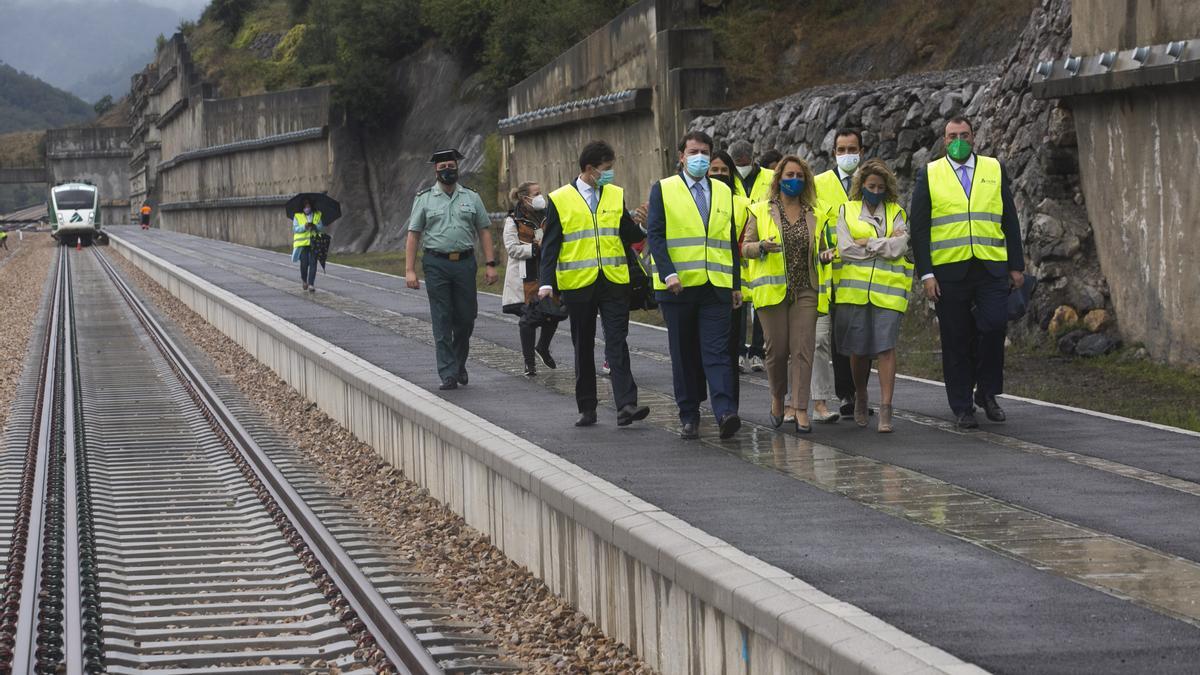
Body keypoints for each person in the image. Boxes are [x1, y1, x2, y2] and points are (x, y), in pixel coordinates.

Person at [910, 117, 1026, 429]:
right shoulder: (930, 174)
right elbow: (919, 229)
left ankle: (986, 393)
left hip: (990, 267)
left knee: (994, 327)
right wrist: (927, 275)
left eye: (964, 135)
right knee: (956, 338)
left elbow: (1009, 219)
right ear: (943, 141)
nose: (958, 140)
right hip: (949, 271)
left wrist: (1016, 265)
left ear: (974, 138)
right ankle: (962, 405)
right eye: (952, 136)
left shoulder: (992, 168)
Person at [538, 140, 650, 427]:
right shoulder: (560, 199)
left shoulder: (614, 194)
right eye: (606, 169)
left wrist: (642, 225)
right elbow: (551, 246)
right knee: (583, 345)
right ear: (589, 169)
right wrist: (546, 283)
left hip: (613, 280)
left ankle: (626, 404)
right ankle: (587, 406)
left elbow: (627, 233)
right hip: (578, 283)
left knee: (616, 341)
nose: (610, 174)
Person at [647, 131, 742, 440]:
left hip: (716, 286)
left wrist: (736, 283)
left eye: (704, 152)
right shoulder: (663, 189)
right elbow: (656, 236)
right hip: (678, 287)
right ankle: (689, 415)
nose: (699, 157)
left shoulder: (724, 191)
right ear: (681, 156)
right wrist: (668, 273)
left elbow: (728, 240)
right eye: (693, 152)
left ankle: (725, 411)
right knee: (685, 353)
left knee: (717, 353)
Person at [405, 148, 499, 390]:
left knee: (466, 318)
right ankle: (448, 372)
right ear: (435, 171)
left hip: (465, 264)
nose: (448, 171)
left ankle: (459, 363)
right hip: (436, 264)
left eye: (451, 166)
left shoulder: (471, 197)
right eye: (442, 167)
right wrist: (410, 270)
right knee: (442, 317)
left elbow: (484, 230)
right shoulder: (424, 198)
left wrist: (490, 264)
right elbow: (414, 235)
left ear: (458, 168)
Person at [741, 155, 821, 433]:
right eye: (789, 176)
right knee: (776, 351)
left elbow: (820, 248)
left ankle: (800, 408)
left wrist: (825, 255)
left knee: (803, 350)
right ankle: (777, 397)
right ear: (778, 179)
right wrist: (761, 246)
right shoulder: (760, 210)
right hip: (772, 292)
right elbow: (745, 248)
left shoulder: (814, 213)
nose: (794, 181)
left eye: (800, 176)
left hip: (805, 290)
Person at [835, 159, 912, 432]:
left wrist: (868, 242)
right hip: (855, 293)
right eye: (871, 186)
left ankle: (886, 409)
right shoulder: (848, 210)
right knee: (858, 351)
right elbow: (845, 249)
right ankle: (861, 393)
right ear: (861, 185)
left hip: (888, 294)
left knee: (885, 348)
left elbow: (900, 247)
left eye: (881, 187)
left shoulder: (896, 212)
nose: (876, 191)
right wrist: (883, 244)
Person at [813, 128, 866, 420]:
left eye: (852, 149)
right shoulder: (820, 184)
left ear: (861, 150)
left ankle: (860, 392)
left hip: (862, 273)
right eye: (842, 149)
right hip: (829, 274)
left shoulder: (870, 182)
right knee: (833, 337)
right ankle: (846, 394)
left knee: (859, 337)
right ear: (833, 153)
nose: (847, 155)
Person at [708, 149, 752, 407]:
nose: (720, 175)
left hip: (734, 286)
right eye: (715, 170)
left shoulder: (743, 205)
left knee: (730, 349)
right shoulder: (696, 201)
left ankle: (729, 406)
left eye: (725, 170)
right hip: (701, 285)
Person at [502, 182, 557, 377]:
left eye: (541, 192)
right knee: (528, 319)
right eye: (536, 193)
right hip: (525, 277)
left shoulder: (549, 215)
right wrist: (535, 248)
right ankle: (529, 363)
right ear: (525, 198)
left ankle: (542, 346)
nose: (541, 196)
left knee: (554, 312)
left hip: (547, 272)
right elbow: (512, 248)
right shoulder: (513, 220)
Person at [291, 198, 324, 293]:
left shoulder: (317, 215)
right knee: (304, 263)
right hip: (303, 244)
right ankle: (304, 280)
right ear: (303, 208)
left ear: (311, 207)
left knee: (313, 263)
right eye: (305, 207)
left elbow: (321, 227)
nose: (307, 208)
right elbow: (295, 229)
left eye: (308, 206)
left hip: (314, 242)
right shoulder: (297, 216)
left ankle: (311, 284)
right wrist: (304, 227)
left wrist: (314, 226)